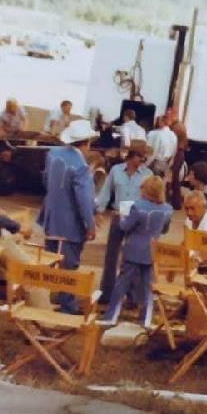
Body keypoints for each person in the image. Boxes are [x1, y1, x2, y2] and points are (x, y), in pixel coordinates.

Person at [38, 119, 98, 314]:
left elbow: (46, 180)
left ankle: (48, 298)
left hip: (50, 217)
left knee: (49, 261)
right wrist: (90, 224)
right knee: (69, 266)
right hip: (70, 224)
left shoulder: (53, 155)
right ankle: (67, 305)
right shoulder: (80, 166)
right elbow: (84, 199)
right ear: (86, 142)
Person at [102, 176, 173, 327]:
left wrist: (122, 217)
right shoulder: (167, 209)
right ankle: (145, 319)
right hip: (152, 250)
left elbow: (125, 226)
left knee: (122, 283)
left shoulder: (137, 206)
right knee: (148, 286)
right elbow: (165, 230)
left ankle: (111, 316)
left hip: (133, 249)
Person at [95, 145, 153, 305]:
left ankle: (132, 296)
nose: (143, 160)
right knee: (111, 256)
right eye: (141, 157)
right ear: (131, 156)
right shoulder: (116, 171)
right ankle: (106, 293)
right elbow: (106, 192)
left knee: (132, 257)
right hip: (118, 215)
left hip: (136, 219)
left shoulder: (148, 175)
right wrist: (99, 210)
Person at [169, 113, 188, 209]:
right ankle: (176, 202)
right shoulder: (182, 128)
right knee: (175, 180)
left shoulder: (176, 129)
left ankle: (176, 203)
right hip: (181, 154)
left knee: (174, 179)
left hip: (178, 154)